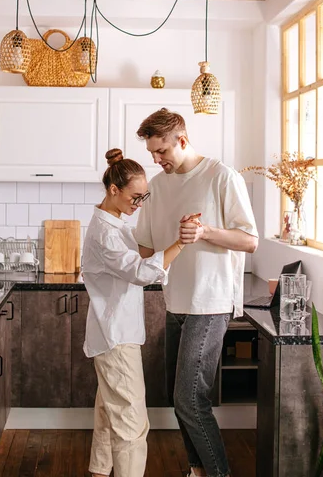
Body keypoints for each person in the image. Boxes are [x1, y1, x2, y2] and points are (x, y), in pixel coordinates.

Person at [134, 108, 259, 477]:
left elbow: (250, 241)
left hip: (211, 301)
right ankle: (197, 470)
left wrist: (204, 233)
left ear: (182, 141)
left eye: (161, 152)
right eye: (152, 154)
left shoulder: (222, 177)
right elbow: (144, 246)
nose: (156, 160)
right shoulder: (157, 186)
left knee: (190, 398)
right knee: (179, 400)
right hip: (175, 301)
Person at [82, 148, 192, 477]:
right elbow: (142, 273)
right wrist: (182, 243)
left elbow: (144, 253)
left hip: (113, 333)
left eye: (143, 197)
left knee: (109, 414)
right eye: (135, 197)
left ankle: (100, 472)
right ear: (114, 190)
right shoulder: (106, 233)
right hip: (115, 337)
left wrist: (169, 231)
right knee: (131, 422)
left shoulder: (116, 225)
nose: (138, 203)